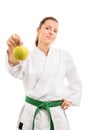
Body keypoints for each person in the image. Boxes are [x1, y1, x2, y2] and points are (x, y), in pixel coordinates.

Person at [6, 16, 82, 130]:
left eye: (55, 31)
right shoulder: (27, 56)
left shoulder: (63, 56)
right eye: (47, 28)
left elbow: (74, 79)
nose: (51, 32)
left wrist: (71, 98)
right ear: (38, 30)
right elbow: (15, 70)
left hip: (56, 114)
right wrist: (12, 51)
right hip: (31, 113)